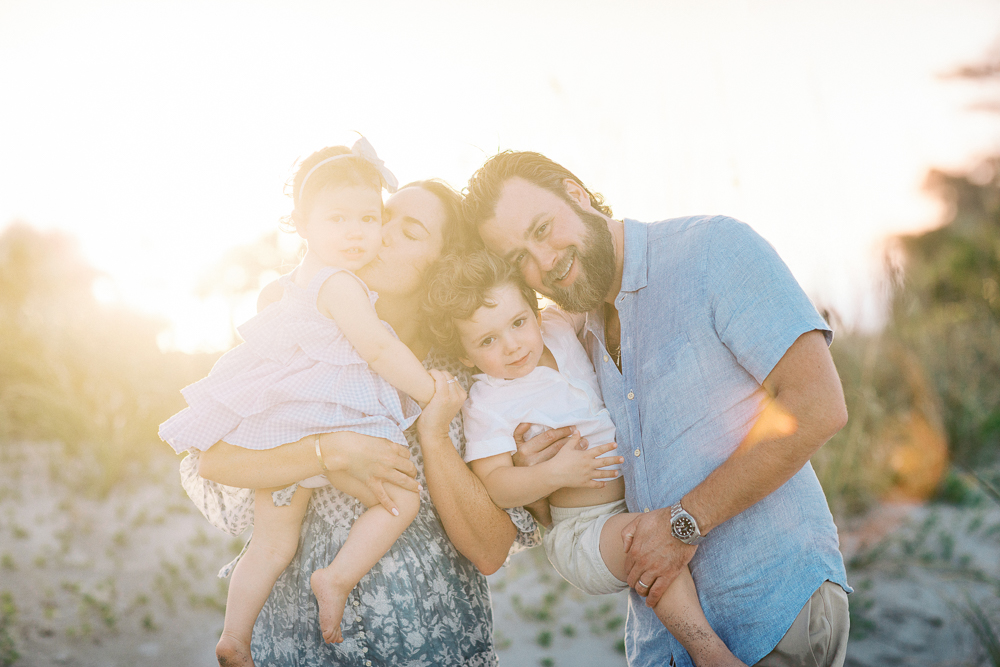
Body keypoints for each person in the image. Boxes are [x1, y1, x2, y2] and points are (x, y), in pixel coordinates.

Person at [462, 151, 852, 667]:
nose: (544, 260)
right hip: (660, 646)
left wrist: (684, 523)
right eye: (519, 260)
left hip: (771, 609)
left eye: (542, 227)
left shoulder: (712, 250)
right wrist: (542, 479)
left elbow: (818, 405)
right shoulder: (568, 334)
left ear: (576, 192)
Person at [184, 177, 568, 666]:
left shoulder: (468, 379)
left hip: (433, 645)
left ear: (442, 263)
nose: (380, 234)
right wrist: (331, 451)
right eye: (381, 217)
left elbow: (491, 551)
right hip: (299, 647)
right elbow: (215, 460)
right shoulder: (304, 344)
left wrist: (434, 436)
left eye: (411, 231)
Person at [162, 138, 453, 664]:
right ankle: (336, 579)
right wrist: (430, 392)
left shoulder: (289, 285)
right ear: (302, 223)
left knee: (272, 543)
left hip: (278, 428)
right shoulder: (341, 284)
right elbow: (379, 347)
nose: (359, 233)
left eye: (369, 218)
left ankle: (235, 635)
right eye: (339, 219)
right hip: (324, 418)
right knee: (400, 500)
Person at [423, 249, 747, 666]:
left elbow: (592, 289)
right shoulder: (488, 401)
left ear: (534, 312)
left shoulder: (556, 329)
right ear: (466, 355)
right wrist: (556, 473)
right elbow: (498, 486)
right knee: (645, 541)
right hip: (582, 532)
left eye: (518, 323)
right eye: (487, 341)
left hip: (633, 501)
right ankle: (709, 653)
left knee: (661, 533)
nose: (511, 346)